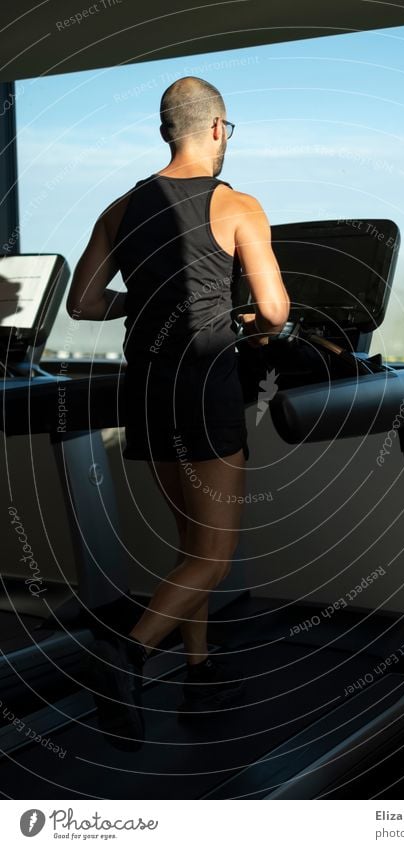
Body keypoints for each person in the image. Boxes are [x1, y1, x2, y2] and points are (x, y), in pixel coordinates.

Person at [66, 76, 290, 748]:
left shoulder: (119, 208)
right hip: (204, 389)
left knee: (189, 541)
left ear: (167, 130)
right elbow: (275, 312)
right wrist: (238, 314)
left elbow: (83, 303)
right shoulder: (238, 204)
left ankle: (198, 668)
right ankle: (124, 656)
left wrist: (149, 302)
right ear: (218, 129)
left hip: (147, 391)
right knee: (215, 557)